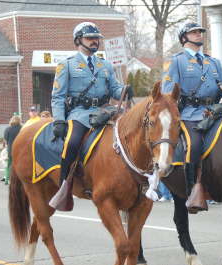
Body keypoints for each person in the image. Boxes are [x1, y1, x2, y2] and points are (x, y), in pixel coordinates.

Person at [49, 22, 132, 211]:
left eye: (97, 39)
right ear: (78, 40)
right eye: (90, 38)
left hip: (105, 111)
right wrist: (59, 120)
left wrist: (125, 90)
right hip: (79, 114)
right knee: (72, 142)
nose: (95, 42)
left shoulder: (105, 65)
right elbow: (58, 96)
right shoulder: (67, 65)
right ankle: (64, 186)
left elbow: (114, 90)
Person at [161, 22, 222, 213]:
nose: (199, 35)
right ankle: (193, 189)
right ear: (184, 37)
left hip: (214, 112)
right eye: (194, 32)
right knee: (194, 145)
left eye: (200, 32)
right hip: (190, 114)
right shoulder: (177, 61)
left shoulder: (213, 62)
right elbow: (167, 90)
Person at [3, 115, 22, 185]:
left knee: (9, 164)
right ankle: (18, 179)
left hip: (10, 148)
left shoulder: (8, 129)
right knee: (18, 164)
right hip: (19, 149)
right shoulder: (22, 128)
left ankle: (7, 179)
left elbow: (5, 140)